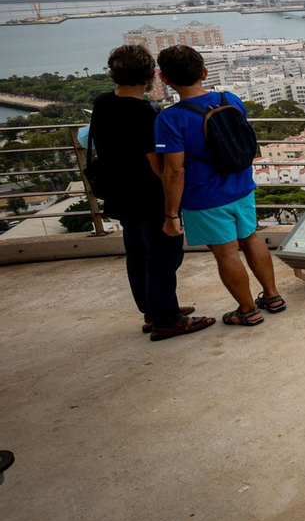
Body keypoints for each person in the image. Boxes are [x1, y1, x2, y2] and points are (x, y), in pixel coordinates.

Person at [86, 46, 214, 340]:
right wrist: (175, 201)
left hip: (119, 193)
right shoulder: (145, 114)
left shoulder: (103, 102)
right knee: (164, 258)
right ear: (152, 76)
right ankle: (166, 320)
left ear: (113, 74)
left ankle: (153, 311)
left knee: (138, 254)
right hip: (148, 196)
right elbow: (159, 166)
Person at [155, 46, 284, 327]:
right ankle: (272, 296)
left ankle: (248, 310)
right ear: (204, 72)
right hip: (242, 186)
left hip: (205, 197)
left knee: (226, 253)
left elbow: (175, 169)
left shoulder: (170, 118)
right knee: (251, 239)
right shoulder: (231, 99)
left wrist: (171, 214)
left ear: (164, 79)